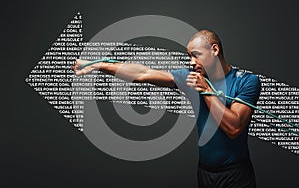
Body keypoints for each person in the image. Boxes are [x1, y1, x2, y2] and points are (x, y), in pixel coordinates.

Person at [73, 29, 261, 188]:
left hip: (236, 174)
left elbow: (234, 127)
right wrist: (98, 65)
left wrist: (205, 90)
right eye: (189, 56)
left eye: (196, 55)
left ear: (214, 50)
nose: (191, 62)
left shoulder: (246, 82)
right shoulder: (191, 77)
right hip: (204, 173)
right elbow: (143, 73)